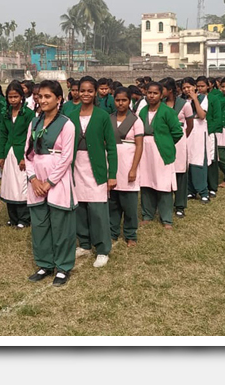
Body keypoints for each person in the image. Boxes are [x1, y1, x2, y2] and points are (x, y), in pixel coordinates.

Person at [25, 80, 77, 286]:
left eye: (48, 96)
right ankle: (44, 263)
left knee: (61, 224)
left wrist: (49, 182)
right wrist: (33, 179)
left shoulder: (67, 124)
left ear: (59, 99)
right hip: (36, 179)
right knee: (40, 224)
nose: (43, 100)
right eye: (40, 96)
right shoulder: (34, 123)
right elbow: (28, 154)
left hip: (57, 179)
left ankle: (63, 267)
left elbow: (66, 157)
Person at [69, 76, 118, 268]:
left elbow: (111, 147)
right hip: (76, 167)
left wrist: (112, 175)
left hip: (95, 168)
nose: (85, 94)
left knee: (98, 211)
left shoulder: (102, 116)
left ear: (95, 92)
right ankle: (84, 244)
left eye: (90, 91)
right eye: (82, 90)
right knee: (80, 209)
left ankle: (103, 249)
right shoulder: (71, 115)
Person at [138, 82, 183, 230]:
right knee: (146, 183)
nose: (151, 96)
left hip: (161, 152)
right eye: (149, 93)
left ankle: (166, 218)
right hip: (145, 152)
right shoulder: (143, 111)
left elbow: (177, 132)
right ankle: (147, 214)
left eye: (155, 93)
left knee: (164, 184)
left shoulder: (167, 112)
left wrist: (166, 143)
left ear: (161, 95)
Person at [0, 81, 35, 228]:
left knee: (21, 185)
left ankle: (24, 218)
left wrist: (25, 157)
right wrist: (0, 155)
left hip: (21, 153)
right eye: (10, 97)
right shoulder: (6, 113)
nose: (13, 100)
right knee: (9, 185)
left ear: (22, 97)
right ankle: (12, 217)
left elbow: (31, 137)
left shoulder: (28, 114)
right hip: (9, 153)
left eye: (15, 97)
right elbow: (3, 135)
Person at [108, 87, 144, 246]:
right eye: (117, 100)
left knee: (129, 203)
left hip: (128, 163)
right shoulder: (109, 118)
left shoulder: (136, 120)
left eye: (124, 100)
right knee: (113, 202)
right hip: (112, 162)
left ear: (129, 101)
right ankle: (112, 232)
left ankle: (130, 234)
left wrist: (134, 168)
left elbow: (139, 145)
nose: (120, 103)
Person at [163, 77, 193, 217]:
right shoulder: (160, 104)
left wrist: (182, 137)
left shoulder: (184, 104)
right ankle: (165, 203)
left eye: (162, 89)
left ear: (170, 90)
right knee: (165, 170)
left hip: (179, 138)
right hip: (164, 137)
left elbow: (190, 125)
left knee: (180, 171)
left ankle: (180, 204)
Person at [185, 76, 212, 203]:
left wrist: (195, 99)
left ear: (194, 87)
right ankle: (190, 190)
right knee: (187, 160)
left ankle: (203, 191)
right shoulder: (182, 100)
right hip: (187, 130)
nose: (187, 90)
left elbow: (201, 115)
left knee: (198, 160)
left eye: (189, 87)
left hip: (199, 130)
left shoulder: (202, 98)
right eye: (184, 88)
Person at [206, 77, 222, 198]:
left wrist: (209, 130)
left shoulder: (213, 98)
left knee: (211, 159)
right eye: (198, 86)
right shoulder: (193, 99)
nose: (200, 88)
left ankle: (212, 186)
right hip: (196, 133)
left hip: (209, 132)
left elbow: (217, 117)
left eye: (202, 86)